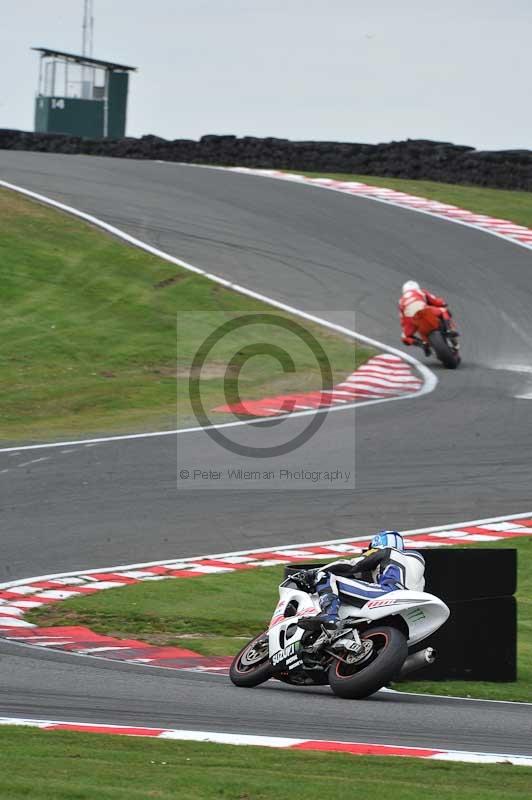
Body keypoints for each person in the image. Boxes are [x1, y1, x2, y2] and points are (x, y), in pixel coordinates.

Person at [298, 531, 425, 631]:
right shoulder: (416, 561)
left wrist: (314, 572)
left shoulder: (385, 551)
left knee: (325, 577)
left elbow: (352, 565)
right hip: (410, 606)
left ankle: (330, 614)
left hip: (389, 592)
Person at [399, 280, 458, 349]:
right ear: (417, 287)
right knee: (443, 311)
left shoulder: (401, 301)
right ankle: (449, 330)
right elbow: (435, 301)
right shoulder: (420, 291)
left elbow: (403, 319)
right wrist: (443, 303)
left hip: (411, 318)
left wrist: (406, 328)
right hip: (423, 309)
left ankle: (422, 344)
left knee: (405, 337)